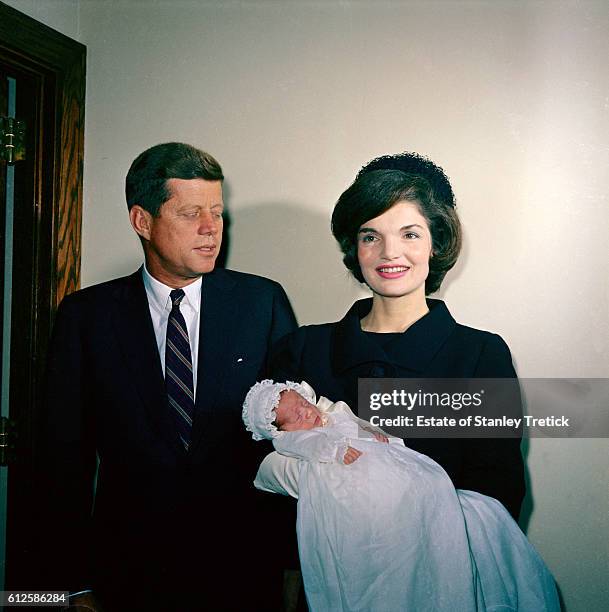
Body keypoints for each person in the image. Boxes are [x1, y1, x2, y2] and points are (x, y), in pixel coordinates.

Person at [37, 142, 297, 611]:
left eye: (217, 212)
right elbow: (62, 460)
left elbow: (292, 439)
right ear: (142, 221)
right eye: (190, 212)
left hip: (242, 572)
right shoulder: (87, 317)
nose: (210, 229)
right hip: (129, 573)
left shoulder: (262, 304)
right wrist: (69, 584)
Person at [268, 152, 525, 519]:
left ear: (435, 243)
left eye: (409, 234)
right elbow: (268, 488)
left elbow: (497, 498)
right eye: (371, 236)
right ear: (354, 248)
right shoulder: (301, 350)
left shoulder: (481, 356)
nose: (390, 252)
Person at [242, 380, 559, 612]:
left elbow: (359, 424)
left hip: (386, 458)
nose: (305, 413)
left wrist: (379, 436)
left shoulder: (333, 413)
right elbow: (305, 449)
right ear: (280, 431)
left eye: (303, 404)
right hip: (357, 475)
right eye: (295, 416)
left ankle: (429, 502)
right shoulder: (292, 443)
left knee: (429, 483)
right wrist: (335, 449)